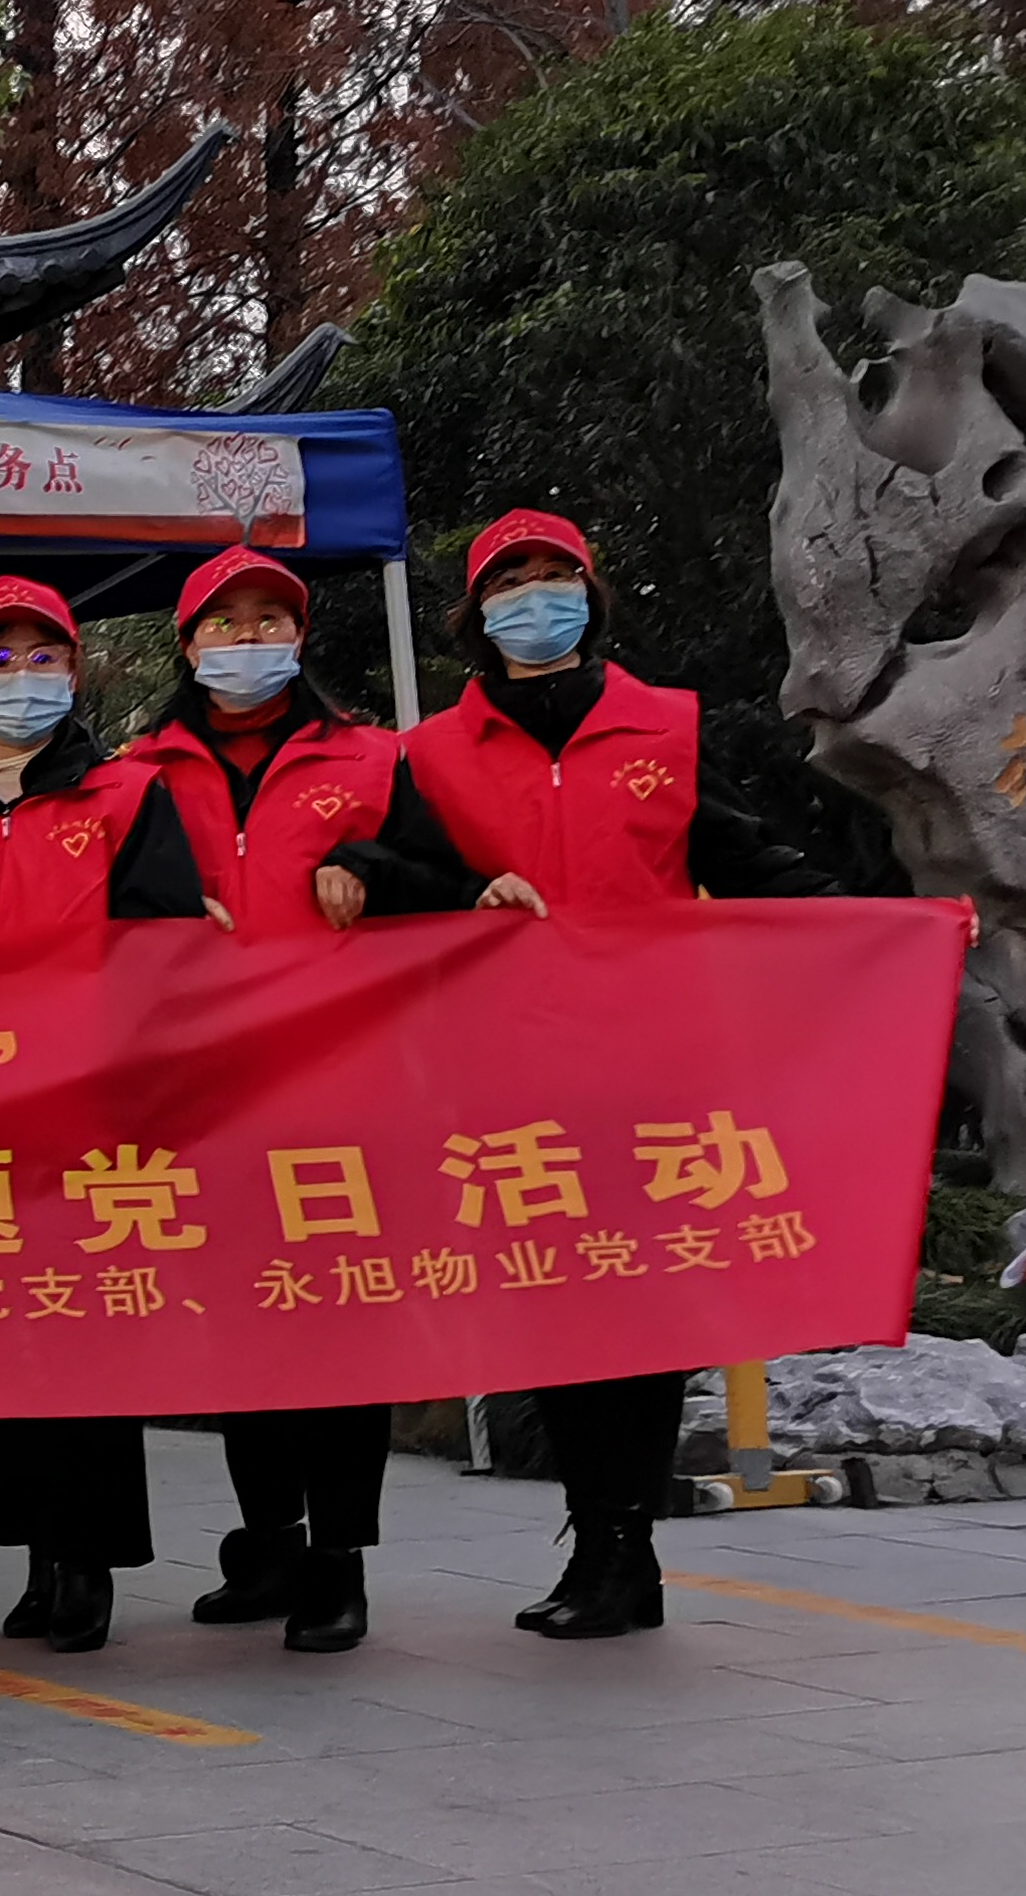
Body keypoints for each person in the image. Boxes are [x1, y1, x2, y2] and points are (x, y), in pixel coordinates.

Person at [355, 507, 834, 1641]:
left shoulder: (664, 726)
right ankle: (598, 1536)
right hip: (513, 1075)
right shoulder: (432, 753)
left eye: (554, 574)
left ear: (590, 593)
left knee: (644, 1310)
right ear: (477, 614)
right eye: (509, 580)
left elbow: (747, 859)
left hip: (650, 1069)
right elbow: (387, 871)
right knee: (559, 1310)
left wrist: (895, 928)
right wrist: (458, 892)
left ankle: (628, 1547)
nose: (535, 595)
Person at [120, 545, 469, 1657]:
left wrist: (370, 861)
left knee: (339, 1328)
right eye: (225, 623)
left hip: (342, 1096)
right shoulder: (136, 775)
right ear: (187, 644)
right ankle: (268, 1539)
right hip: (204, 1097)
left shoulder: (371, 756)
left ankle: (339, 1559)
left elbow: (447, 883)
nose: (249, 639)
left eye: (270, 619)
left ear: (301, 635)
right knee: (242, 1328)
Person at [0, 571, 209, 1655]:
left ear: (75, 672)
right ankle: (33, 1548)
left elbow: (165, 947)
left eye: (42, 656)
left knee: (82, 1336)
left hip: (91, 1112)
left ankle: (87, 1557)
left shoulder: (126, 795)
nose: (21, 677)